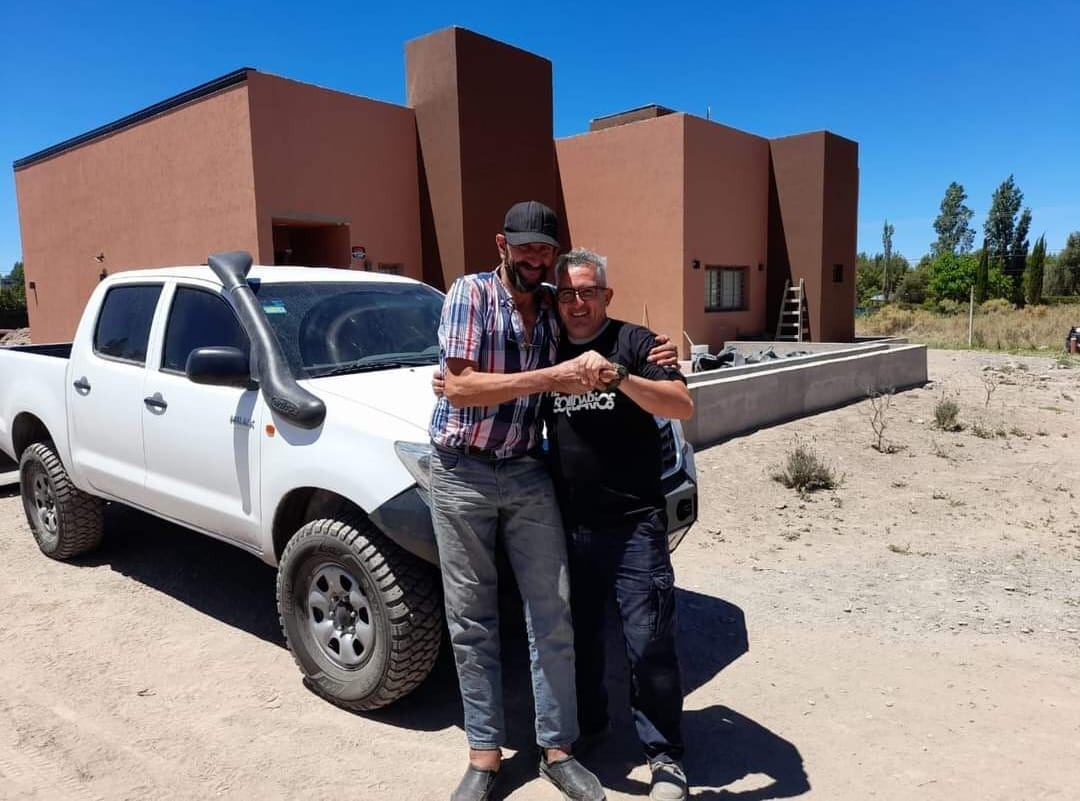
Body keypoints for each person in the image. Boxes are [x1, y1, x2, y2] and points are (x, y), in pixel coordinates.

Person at [429, 201, 677, 801]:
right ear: (501, 245)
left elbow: (601, 334)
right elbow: (459, 386)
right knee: (472, 619)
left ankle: (557, 749)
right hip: (461, 470)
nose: (537, 260)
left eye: (545, 249)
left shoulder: (549, 310)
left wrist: (649, 356)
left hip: (527, 473)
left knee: (552, 614)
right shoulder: (469, 294)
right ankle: (484, 757)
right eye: (526, 248)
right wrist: (549, 378)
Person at [544, 248, 694, 801]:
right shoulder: (549, 349)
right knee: (579, 641)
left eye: (587, 291)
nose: (577, 303)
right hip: (569, 527)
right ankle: (591, 731)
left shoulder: (635, 342)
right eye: (566, 293)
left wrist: (620, 376)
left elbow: (681, 405)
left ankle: (665, 758)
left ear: (607, 296)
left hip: (635, 527)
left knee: (649, 644)